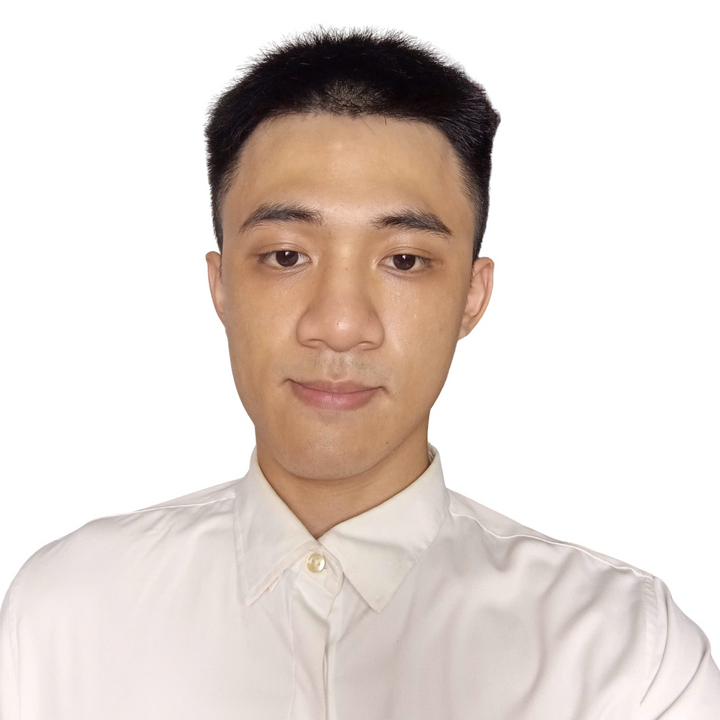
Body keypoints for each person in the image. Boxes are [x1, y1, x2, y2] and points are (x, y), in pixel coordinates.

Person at [1, 25, 718, 720]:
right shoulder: (64, 613)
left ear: (472, 297)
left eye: (404, 260)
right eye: (286, 256)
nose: (340, 324)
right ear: (221, 287)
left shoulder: (624, 655)